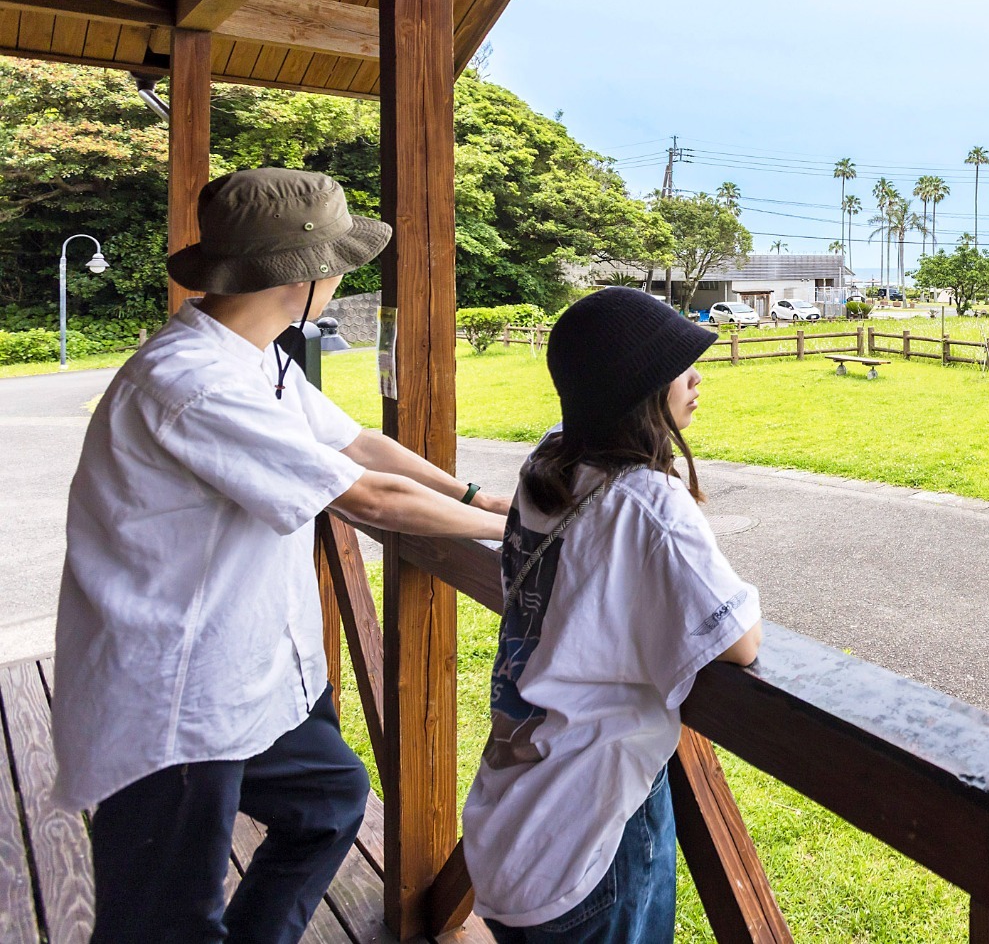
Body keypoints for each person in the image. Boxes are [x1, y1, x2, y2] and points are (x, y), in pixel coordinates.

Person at [52, 167, 512, 944]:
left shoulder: (252, 355)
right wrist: (525, 532)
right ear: (303, 275)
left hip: (247, 675)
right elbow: (365, 497)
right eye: (337, 261)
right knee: (161, 923)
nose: (339, 276)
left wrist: (480, 501)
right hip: (176, 694)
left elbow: (358, 441)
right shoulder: (192, 382)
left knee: (329, 802)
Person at [463, 286, 762, 942]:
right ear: (641, 391)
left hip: (513, 815)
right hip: (590, 839)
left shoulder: (549, 462)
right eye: (680, 366)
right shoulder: (650, 502)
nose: (698, 377)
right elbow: (739, 642)